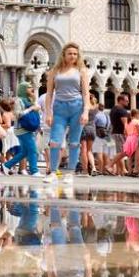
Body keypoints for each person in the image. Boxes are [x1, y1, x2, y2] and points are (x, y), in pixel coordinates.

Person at [42, 42, 91, 184]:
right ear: (64, 54)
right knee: (55, 142)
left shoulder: (81, 70)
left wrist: (86, 112)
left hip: (77, 107)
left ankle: (70, 173)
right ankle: (52, 172)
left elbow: (86, 93)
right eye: (70, 53)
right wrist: (48, 113)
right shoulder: (55, 71)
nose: (72, 56)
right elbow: (49, 94)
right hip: (59, 108)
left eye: (75, 54)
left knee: (74, 142)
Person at [3, 96, 42, 176]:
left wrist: (34, 105)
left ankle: (7, 166)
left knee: (24, 152)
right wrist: (31, 109)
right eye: (29, 87)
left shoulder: (26, 100)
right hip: (22, 130)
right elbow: (18, 114)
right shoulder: (18, 100)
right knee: (32, 150)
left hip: (24, 129)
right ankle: (34, 170)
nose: (31, 89)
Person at [109, 93, 130, 174]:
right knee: (122, 152)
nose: (128, 102)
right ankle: (110, 165)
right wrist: (127, 134)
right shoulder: (122, 110)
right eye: (126, 101)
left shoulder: (113, 109)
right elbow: (125, 124)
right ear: (121, 101)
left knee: (120, 152)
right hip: (120, 133)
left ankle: (122, 170)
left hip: (115, 132)